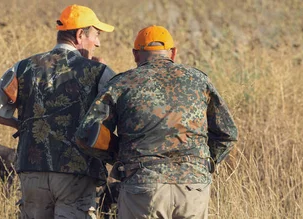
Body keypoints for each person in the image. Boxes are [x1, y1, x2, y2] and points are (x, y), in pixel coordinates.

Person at [75, 25, 238, 219]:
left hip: (143, 185)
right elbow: (228, 133)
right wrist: (203, 164)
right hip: (193, 188)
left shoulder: (122, 83)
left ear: (136, 54)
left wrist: (119, 158)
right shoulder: (199, 81)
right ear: (173, 52)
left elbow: (86, 135)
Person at [0, 4, 116, 219]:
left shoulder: (23, 66)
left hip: (31, 170)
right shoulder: (98, 71)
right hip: (76, 173)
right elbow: (121, 109)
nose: (98, 42)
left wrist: (19, 124)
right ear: (80, 35)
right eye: (96, 35)